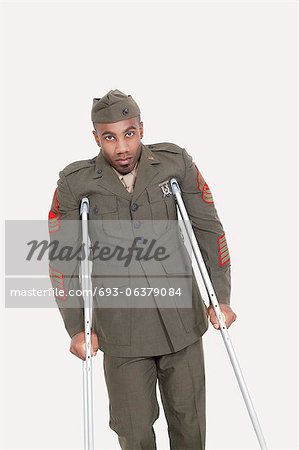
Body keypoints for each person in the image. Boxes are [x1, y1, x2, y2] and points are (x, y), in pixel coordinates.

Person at [48, 89, 236, 450]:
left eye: (128, 133)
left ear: (141, 129)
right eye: (109, 137)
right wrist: (76, 327)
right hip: (121, 331)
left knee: (190, 426)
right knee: (133, 433)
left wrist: (221, 298)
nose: (121, 147)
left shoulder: (174, 164)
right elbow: (62, 259)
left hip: (182, 322)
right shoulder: (75, 183)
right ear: (96, 137)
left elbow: (210, 231)